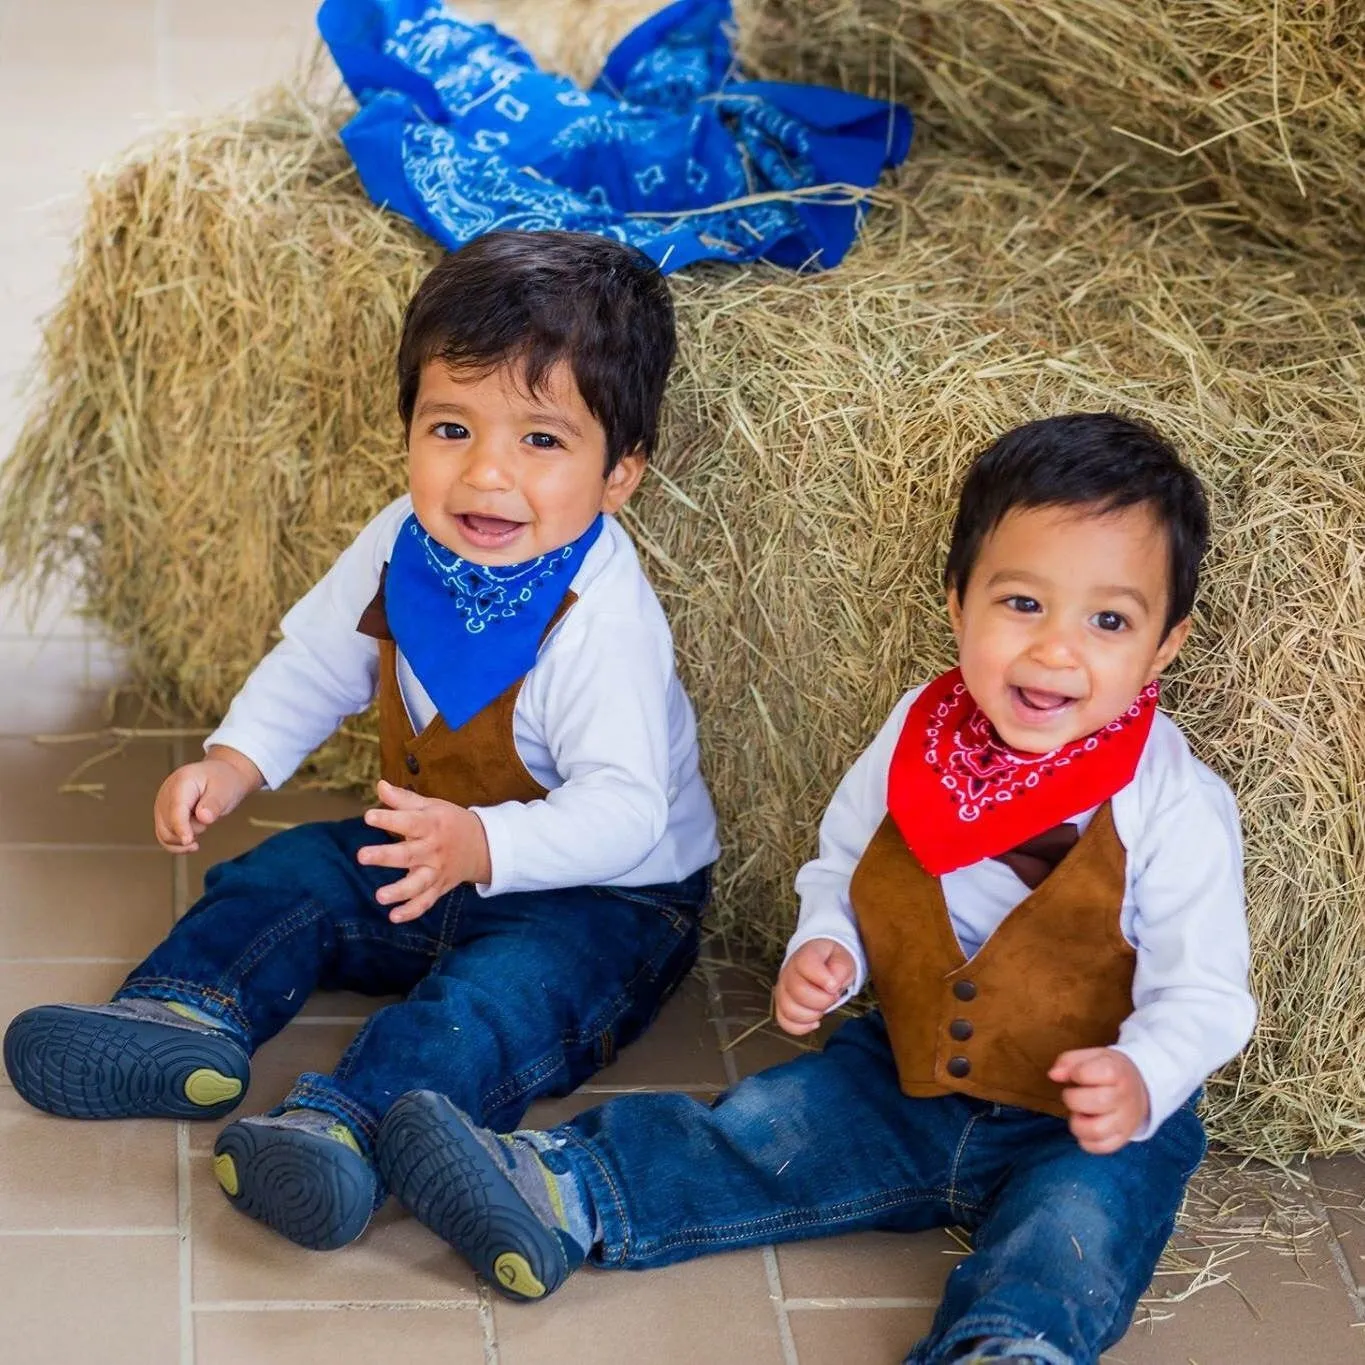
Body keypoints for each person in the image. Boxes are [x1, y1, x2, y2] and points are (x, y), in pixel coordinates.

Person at [370, 413, 1257, 1365]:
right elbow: (846, 866)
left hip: (1092, 1121)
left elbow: (1205, 994)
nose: (1053, 652)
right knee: (765, 1128)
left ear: (1165, 645)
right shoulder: (917, 735)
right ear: (959, 603)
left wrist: (1142, 1074)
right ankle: (565, 1191)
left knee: (1079, 1231)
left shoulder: (1172, 804)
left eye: (1109, 620)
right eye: (1021, 604)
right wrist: (824, 944)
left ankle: (1008, 1347)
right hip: (905, 1072)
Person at [3, 230, 719, 1256]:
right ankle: (184, 1015)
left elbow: (626, 812)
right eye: (452, 427)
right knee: (284, 877)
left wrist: (484, 847)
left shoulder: (599, 621)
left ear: (619, 477)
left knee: (485, 1006)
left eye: (543, 442)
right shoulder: (401, 544)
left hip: (606, 898)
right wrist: (235, 758)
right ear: (409, 429)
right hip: (435, 848)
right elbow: (315, 663)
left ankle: (346, 1128)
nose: (487, 474)